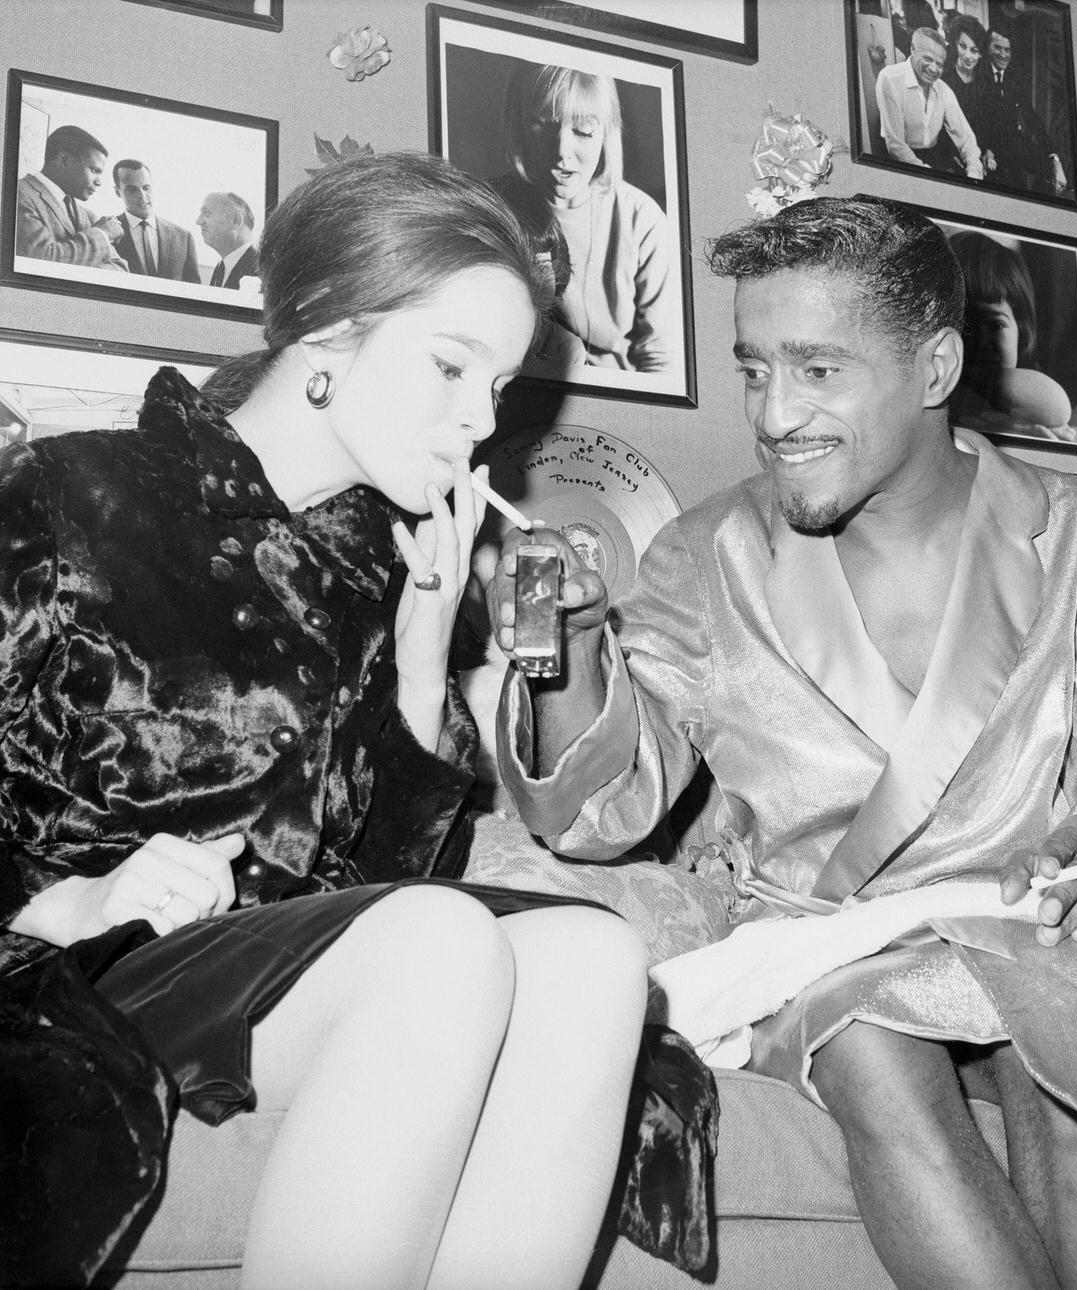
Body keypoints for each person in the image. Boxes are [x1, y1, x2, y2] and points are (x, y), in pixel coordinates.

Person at [487, 195, 1077, 1290]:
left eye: (817, 370)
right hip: (825, 937)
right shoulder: (704, 556)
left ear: (934, 369)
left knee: (1076, 1061)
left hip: (1030, 917)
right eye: (755, 369)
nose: (773, 414)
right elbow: (596, 815)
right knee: (872, 1055)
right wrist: (560, 651)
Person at [0, 152, 666, 1290]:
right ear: (322, 330)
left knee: (594, 956)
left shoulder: (384, 568)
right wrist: (64, 900)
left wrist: (421, 649)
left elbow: (382, 876)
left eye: (498, 387)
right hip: (70, 966)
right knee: (440, 941)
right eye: (452, 367)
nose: (479, 422)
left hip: (288, 973)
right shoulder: (68, 495)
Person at [493, 62, 679, 374]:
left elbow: (664, 360)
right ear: (520, 126)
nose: (562, 150)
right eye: (542, 125)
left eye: (583, 131)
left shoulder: (641, 218)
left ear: (607, 135)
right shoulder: (493, 208)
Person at [946, 229, 1076, 441]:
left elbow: (1057, 407)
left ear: (1021, 331)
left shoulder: (1030, 396)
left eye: (996, 324)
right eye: (965, 323)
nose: (981, 341)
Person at [14, 124, 127, 270]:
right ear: (64, 160)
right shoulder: (18, 195)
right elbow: (41, 261)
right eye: (94, 170)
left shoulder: (87, 215)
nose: (99, 182)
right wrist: (102, 234)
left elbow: (121, 268)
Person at [875, 28, 984, 178]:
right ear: (913, 49)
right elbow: (895, 146)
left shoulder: (944, 90)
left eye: (939, 64)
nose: (933, 68)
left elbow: (967, 139)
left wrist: (974, 172)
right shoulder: (889, 78)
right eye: (927, 59)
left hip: (934, 159)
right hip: (897, 164)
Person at [977, 25, 1069, 196]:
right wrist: (985, 148)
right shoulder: (978, 74)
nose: (1004, 55)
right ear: (987, 48)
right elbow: (974, 118)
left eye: (1007, 50)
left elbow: (1032, 118)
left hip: (1011, 145)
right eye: (998, 48)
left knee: (1047, 172)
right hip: (984, 147)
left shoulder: (1014, 77)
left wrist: (1054, 158)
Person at [111, 159, 201, 283]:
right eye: (132, 189)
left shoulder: (183, 237)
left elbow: (194, 290)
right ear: (117, 192)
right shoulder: (106, 234)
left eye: (146, 187)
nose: (142, 196)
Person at [940, 14, 991, 160]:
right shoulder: (944, 76)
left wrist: (988, 150)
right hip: (948, 152)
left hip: (978, 153)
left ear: (981, 53)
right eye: (963, 46)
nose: (968, 56)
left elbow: (988, 122)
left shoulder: (985, 81)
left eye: (974, 50)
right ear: (955, 43)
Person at [197, 189, 259, 288]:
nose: (198, 221)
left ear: (235, 221)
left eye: (207, 214)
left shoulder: (260, 271)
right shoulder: (221, 268)